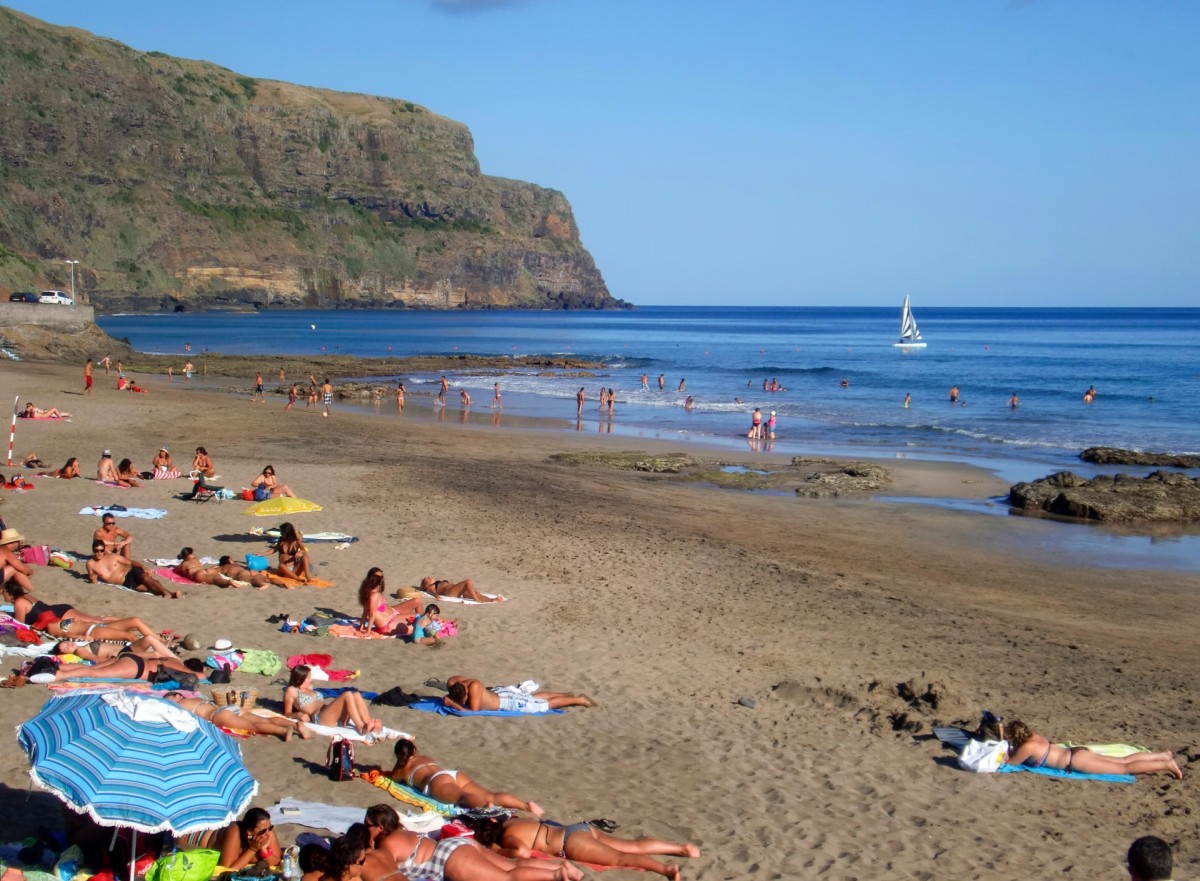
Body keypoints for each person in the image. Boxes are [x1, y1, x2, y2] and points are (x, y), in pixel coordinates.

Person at [362, 807, 580, 881]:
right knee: (512, 866)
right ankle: (561, 868)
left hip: (447, 859)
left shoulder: (387, 845)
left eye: (368, 824)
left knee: (506, 878)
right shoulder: (403, 832)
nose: (365, 828)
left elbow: (388, 872)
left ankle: (557, 876)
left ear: (380, 828)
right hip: (454, 846)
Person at [463, 815, 699, 879]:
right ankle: (680, 848)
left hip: (570, 844)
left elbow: (522, 853)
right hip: (577, 829)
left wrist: (497, 851)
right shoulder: (514, 821)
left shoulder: (508, 837)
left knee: (620, 859)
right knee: (633, 846)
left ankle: (666, 870)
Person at [982, 717, 1182, 779]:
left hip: (1075, 761)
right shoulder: (1034, 736)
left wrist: (1004, 747)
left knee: (1124, 768)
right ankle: (1162, 756)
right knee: (1123, 761)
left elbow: (1009, 763)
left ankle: (1166, 765)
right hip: (1078, 752)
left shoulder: (1027, 747)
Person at [2, 582, 175, 652]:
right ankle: (158, 642)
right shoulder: (29, 598)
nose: (3, 597)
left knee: (114, 624)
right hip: (73, 618)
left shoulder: (20, 604)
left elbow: (19, 624)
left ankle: (157, 642)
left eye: (4, 594)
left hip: (75, 623)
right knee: (113, 625)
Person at [386, 738, 542, 815]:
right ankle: (526, 805)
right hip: (452, 773)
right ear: (414, 751)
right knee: (491, 794)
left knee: (464, 798)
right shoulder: (424, 757)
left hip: (436, 782)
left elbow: (393, 779)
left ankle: (486, 806)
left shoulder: (402, 768)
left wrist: (398, 764)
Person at [164, 692, 306, 741]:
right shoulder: (197, 698)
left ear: (177, 695)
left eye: (168, 699)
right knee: (264, 719)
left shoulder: (181, 704)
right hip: (227, 708)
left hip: (218, 715)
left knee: (253, 727)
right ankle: (293, 725)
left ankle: (282, 731)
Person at [283, 664, 382, 734]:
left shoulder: (310, 687)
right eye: (308, 677)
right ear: (299, 678)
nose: (311, 679)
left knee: (356, 694)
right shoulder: (291, 691)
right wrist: (298, 714)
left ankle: (368, 723)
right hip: (320, 719)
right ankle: (361, 728)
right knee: (347, 694)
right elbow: (286, 713)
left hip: (332, 716)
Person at [186, 809, 283, 873]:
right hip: (192, 837)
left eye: (270, 827)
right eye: (262, 831)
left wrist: (264, 851)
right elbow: (228, 869)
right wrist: (252, 849)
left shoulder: (267, 831)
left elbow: (276, 862)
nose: (267, 833)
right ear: (249, 832)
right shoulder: (234, 831)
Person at [444, 676, 594, 713]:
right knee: (532, 698)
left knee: (543, 705)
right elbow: (451, 680)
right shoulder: (461, 682)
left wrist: (453, 704)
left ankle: (579, 699)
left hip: (507, 702)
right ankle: (565, 694)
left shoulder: (474, 687)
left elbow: (472, 711)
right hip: (500, 694)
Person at [86, 540, 180, 598]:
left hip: (130, 572)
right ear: (93, 550)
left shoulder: (112, 557)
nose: (99, 553)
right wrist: (92, 580)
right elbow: (92, 579)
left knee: (146, 579)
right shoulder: (91, 564)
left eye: (101, 550)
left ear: (104, 550)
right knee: (146, 588)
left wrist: (143, 567)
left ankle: (167, 593)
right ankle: (170, 594)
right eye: (96, 551)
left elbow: (130, 562)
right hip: (124, 582)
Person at [358, 567, 421, 634]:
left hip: (392, 613)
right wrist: (368, 632)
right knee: (420, 616)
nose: (381, 579)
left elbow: (369, 612)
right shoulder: (374, 595)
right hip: (390, 622)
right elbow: (371, 614)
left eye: (382, 577)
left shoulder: (367, 593)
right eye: (378, 577)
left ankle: (422, 624)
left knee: (416, 601)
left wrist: (361, 626)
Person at [176, 547, 245, 587]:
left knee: (214, 580)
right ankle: (227, 581)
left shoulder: (184, 564)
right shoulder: (196, 559)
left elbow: (176, 571)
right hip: (207, 570)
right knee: (217, 577)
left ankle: (228, 582)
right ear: (190, 554)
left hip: (198, 574)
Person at [420, 576, 503, 603]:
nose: (429, 577)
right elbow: (431, 592)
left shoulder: (437, 583)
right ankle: (476, 600)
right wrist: (436, 595)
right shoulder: (430, 587)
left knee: (474, 592)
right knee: (468, 582)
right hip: (450, 592)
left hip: (454, 590)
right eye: (426, 579)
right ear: (425, 585)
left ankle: (491, 600)